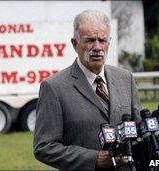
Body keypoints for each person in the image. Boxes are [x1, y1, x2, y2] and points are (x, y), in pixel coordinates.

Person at [33, 10, 141, 171]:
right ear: (75, 44)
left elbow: (138, 129)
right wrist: (94, 159)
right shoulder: (54, 87)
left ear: (109, 42)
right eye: (90, 40)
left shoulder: (125, 78)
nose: (97, 47)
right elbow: (44, 147)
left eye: (102, 40)